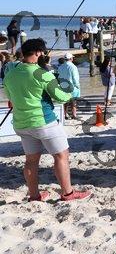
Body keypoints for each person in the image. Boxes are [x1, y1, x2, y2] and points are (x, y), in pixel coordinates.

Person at [3, 38, 91, 201]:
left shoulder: (10, 73)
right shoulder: (42, 74)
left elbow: (10, 99)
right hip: (44, 122)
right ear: (38, 53)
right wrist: (69, 90)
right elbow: (61, 97)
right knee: (61, 155)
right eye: (42, 52)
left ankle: (34, 196)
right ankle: (68, 193)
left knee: (31, 160)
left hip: (21, 123)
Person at [57, 53, 81, 120]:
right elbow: (75, 78)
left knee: (65, 102)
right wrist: (77, 86)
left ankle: (65, 115)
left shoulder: (60, 67)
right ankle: (74, 115)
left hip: (63, 86)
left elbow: (58, 77)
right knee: (73, 101)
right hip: (72, 86)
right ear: (71, 59)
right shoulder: (73, 67)